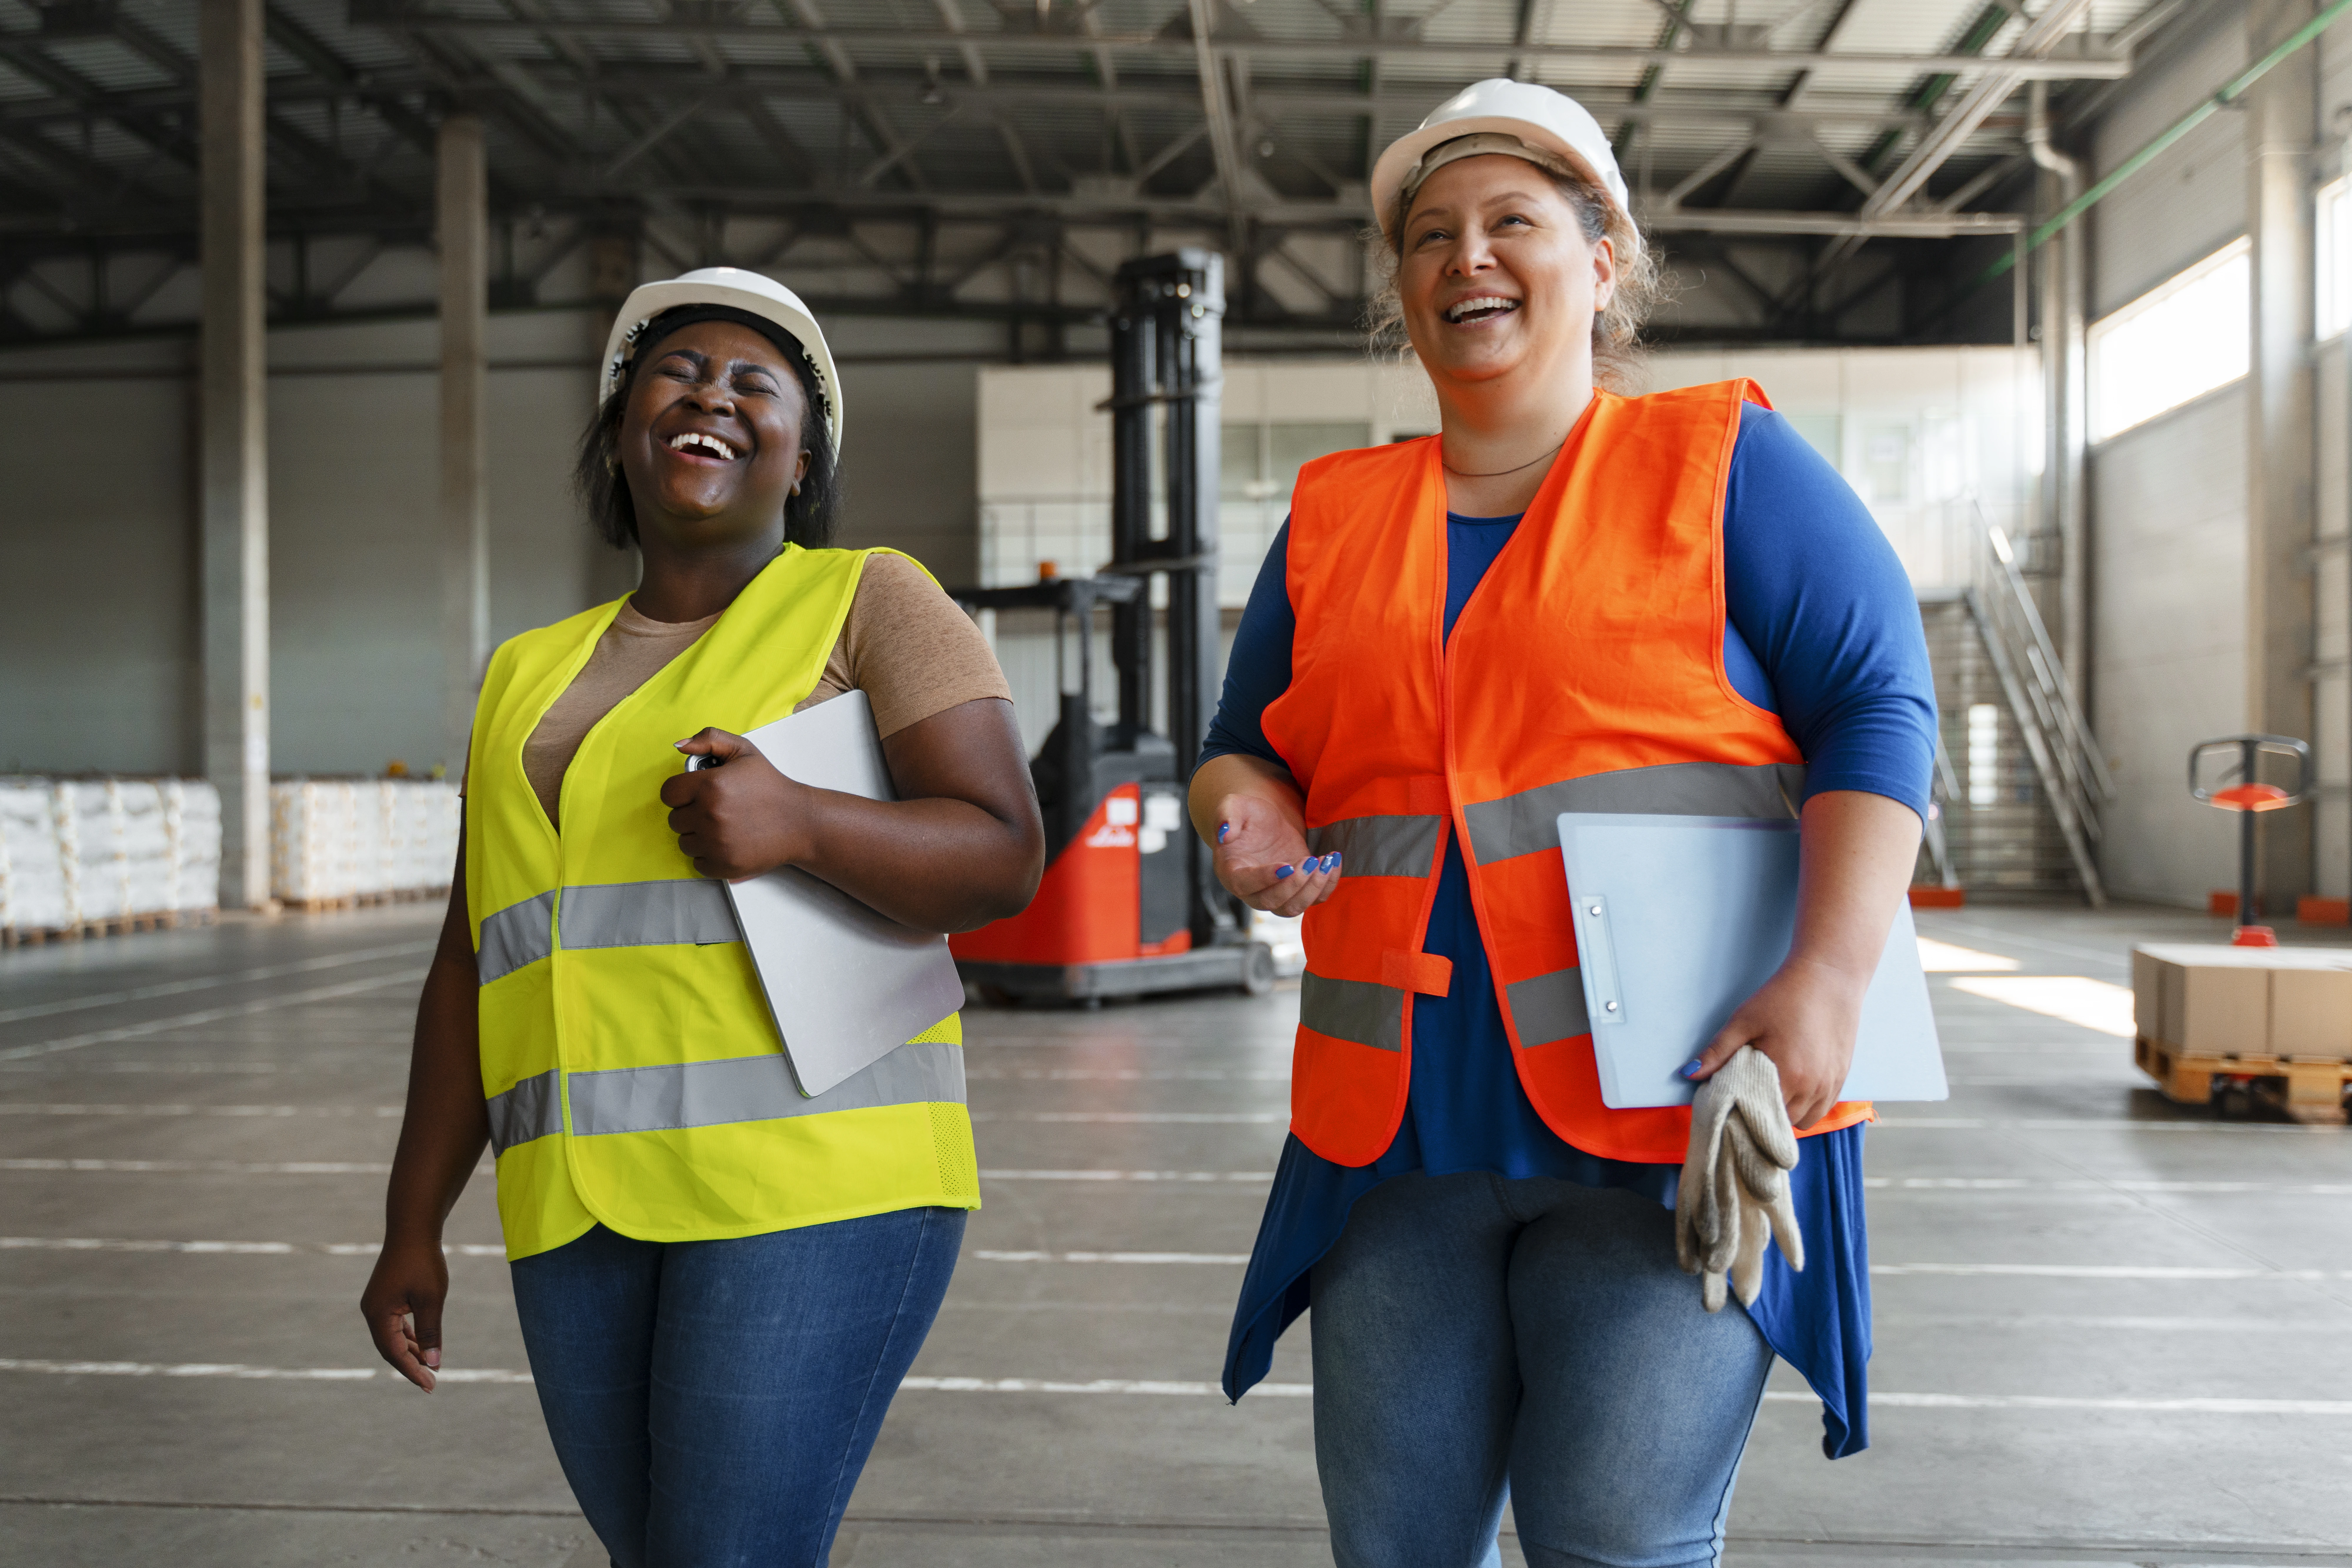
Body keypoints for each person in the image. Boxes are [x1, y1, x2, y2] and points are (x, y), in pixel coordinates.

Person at [1189, 81, 1935, 1568]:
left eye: (1510, 224)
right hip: (1395, 1143)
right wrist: (1243, 812)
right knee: (1396, 1548)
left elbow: (1877, 705)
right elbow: (1237, 750)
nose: (1465, 258)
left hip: (1672, 1119)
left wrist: (1831, 976)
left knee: (1615, 1539)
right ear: (1402, 291)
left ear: (1600, 264)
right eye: (1429, 237)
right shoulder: (1334, 516)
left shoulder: (1723, 468)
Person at [361, 268, 1044, 1567]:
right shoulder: (524, 672)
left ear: (801, 455)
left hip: (812, 1185)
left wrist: (805, 822)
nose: (711, 398)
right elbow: (475, 957)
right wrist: (412, 1220)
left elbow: (1005, 854)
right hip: (576, 1204)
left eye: (754, 383)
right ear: (622, 430)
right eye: (677, 372)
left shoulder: (868, 600)